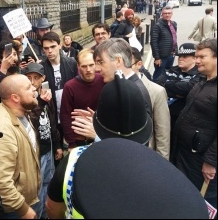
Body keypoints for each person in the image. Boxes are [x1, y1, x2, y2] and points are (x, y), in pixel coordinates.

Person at [46, 74, 209, 219]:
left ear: (97, 124)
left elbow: (52, 207)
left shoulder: (73, 160)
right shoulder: (159, 171)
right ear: (145, 127)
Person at [0, 74, 41, 219]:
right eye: (28, 87)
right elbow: (1, 181)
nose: (34, 89)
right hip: (16, 210)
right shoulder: (2, 129)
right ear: (15, 98)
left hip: (30, 199)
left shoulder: (21, 112)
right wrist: (23, 210)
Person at [173, 38, 217, 209]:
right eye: (196, 56)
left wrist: (211, 161)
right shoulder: (202, 81)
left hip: (202, 163)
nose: (196, 60)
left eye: (202, 57)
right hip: (185, 155)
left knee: (204, 203)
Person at [22, 63, 63, 219]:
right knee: (38, 189)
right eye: (29, 78)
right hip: (36, 152)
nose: (32, 82)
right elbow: (31, 119)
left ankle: (47, 213)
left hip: (48, 147)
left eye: (36, 78)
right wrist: (42, 102)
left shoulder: (47, 95)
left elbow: (53, 122)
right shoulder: (27, 100)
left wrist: (58, 144)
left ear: (42, 79)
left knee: (49, 182)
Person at [155, 43, 205, 163]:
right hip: (163, 117)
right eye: (179, 56)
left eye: (185, 56)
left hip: (181, 121)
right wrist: (177, 91)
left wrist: (168, 86)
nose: (180, 58)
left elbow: (191, 89)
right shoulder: (171, 70)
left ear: (194, 58)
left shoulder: (199, 74)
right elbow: (157, 84)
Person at [94, 38, 152, 122]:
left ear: (118, 61)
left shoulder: (136, 92)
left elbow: (139, 133)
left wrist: (96, 134)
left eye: (101, 62)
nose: (97, 69)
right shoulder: (123, 87)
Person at [40, 31, 78, 153]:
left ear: (59, 45)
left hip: (70, 115)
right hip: (53, 117)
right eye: (46, 48)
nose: (49, 51)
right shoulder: (41, 69)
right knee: (57, 152)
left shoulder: (71, 63)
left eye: (52, 47)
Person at [60, 48, 105, 149]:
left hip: (100, 135)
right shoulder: (70, 87)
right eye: (84, 66)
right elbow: (65, 115)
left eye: (91, 65)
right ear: (78, 66)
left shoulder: (104, 80)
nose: (88, 70)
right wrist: (71, 143)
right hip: (79, 140)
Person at [131, 47, 170, 160]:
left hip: (146, 154)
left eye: (128, 65)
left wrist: (162, 163)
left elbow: (162, 132)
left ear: (139, 64)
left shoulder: (156, 91)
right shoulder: (113, 87)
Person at [150, 6, 178, 80]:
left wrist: (176, 50)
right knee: (158, 75)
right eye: (165, 13)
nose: (167, 15)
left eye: (169, 13)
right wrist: (157, 58)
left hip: (171, 54)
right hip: (162, 56)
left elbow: (174, 37)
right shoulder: (158, 26)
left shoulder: (174, 24)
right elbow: (153, 42)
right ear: (162, 14)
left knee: (168, 74)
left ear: (172, 14)